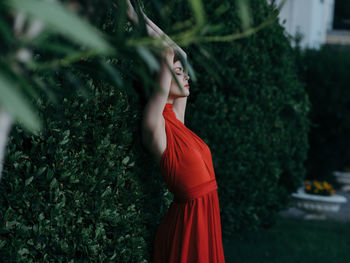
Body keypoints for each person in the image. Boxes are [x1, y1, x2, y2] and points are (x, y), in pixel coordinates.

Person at [126, 1, 226, 262]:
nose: (186, 77)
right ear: (160, 77)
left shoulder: (176, 119)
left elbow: (180, 53)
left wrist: (137, 14)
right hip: (188, 224)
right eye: (178, 73)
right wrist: (130, 15)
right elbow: (169, 53)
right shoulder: (155, 124)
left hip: (205, 217)